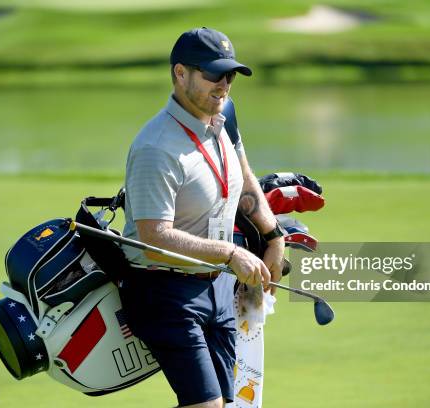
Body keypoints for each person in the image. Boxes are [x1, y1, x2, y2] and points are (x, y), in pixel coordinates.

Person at [120, 27, 285, 408]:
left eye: (230, 75)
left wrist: (273, 236)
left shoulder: (221, 119)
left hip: (217, 289)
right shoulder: (156, 148)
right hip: (163, 291)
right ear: (181, 73)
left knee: (230, 406)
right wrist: (231, 253)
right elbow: (153, 240)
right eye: (213, 74)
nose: (224, 84)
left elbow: (244, 182)